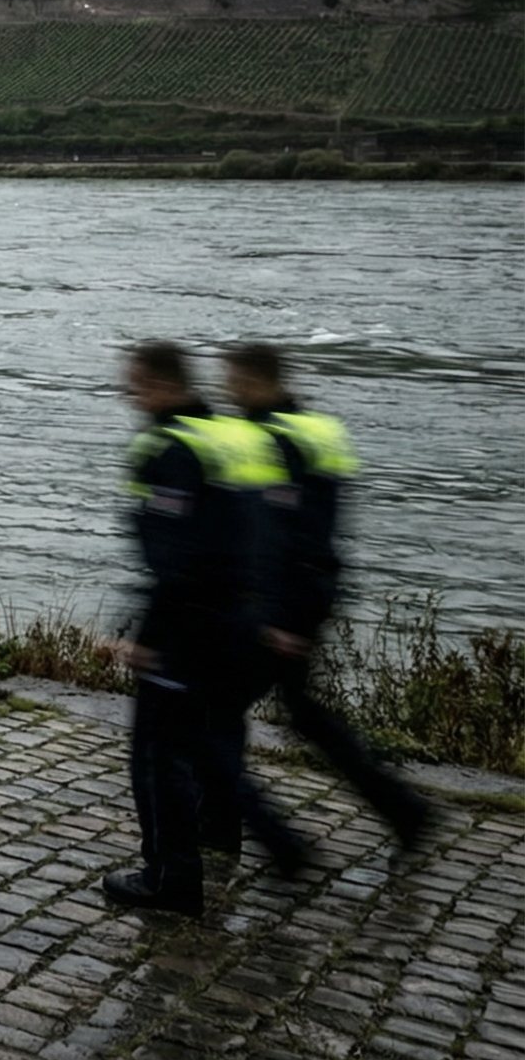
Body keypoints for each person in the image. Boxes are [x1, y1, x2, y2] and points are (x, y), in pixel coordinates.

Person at [216, 342, 432, 864]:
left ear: (257, 381)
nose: (229, 392)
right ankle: (402, 810)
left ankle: (280, 844)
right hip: (308, 598)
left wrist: (283, 618)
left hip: (285, 608)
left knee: (210, 718)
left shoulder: (278, 440)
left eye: (235, 382)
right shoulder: (314, 430)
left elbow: (289, 537)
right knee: (305, 716)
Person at [104, 340, 284, 913]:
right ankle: (221, 832)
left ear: (161, 384)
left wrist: (147, 637)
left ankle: (170, 878)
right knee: (212, 734)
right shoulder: (229, 436)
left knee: (158, 756)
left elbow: (176, 562)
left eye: (135, 384)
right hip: (240, 617)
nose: (129, 395)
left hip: (190, 627)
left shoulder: (171, 449)